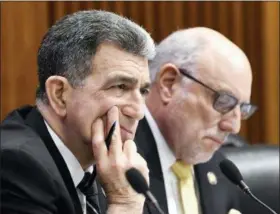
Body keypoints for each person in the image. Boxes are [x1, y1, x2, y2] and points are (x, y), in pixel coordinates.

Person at [1, 10, 156, 214]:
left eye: (143, 91)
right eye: (120, 86)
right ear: (60, 94)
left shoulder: (110, 164)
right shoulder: (16, 165)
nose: (138, 112)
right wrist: (124, 204)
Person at [135, 27, 257, 214]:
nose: (234, 126)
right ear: (169, 83)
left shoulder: (222, 173)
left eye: (242, 109)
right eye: (223, 101)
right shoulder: (116, 164)